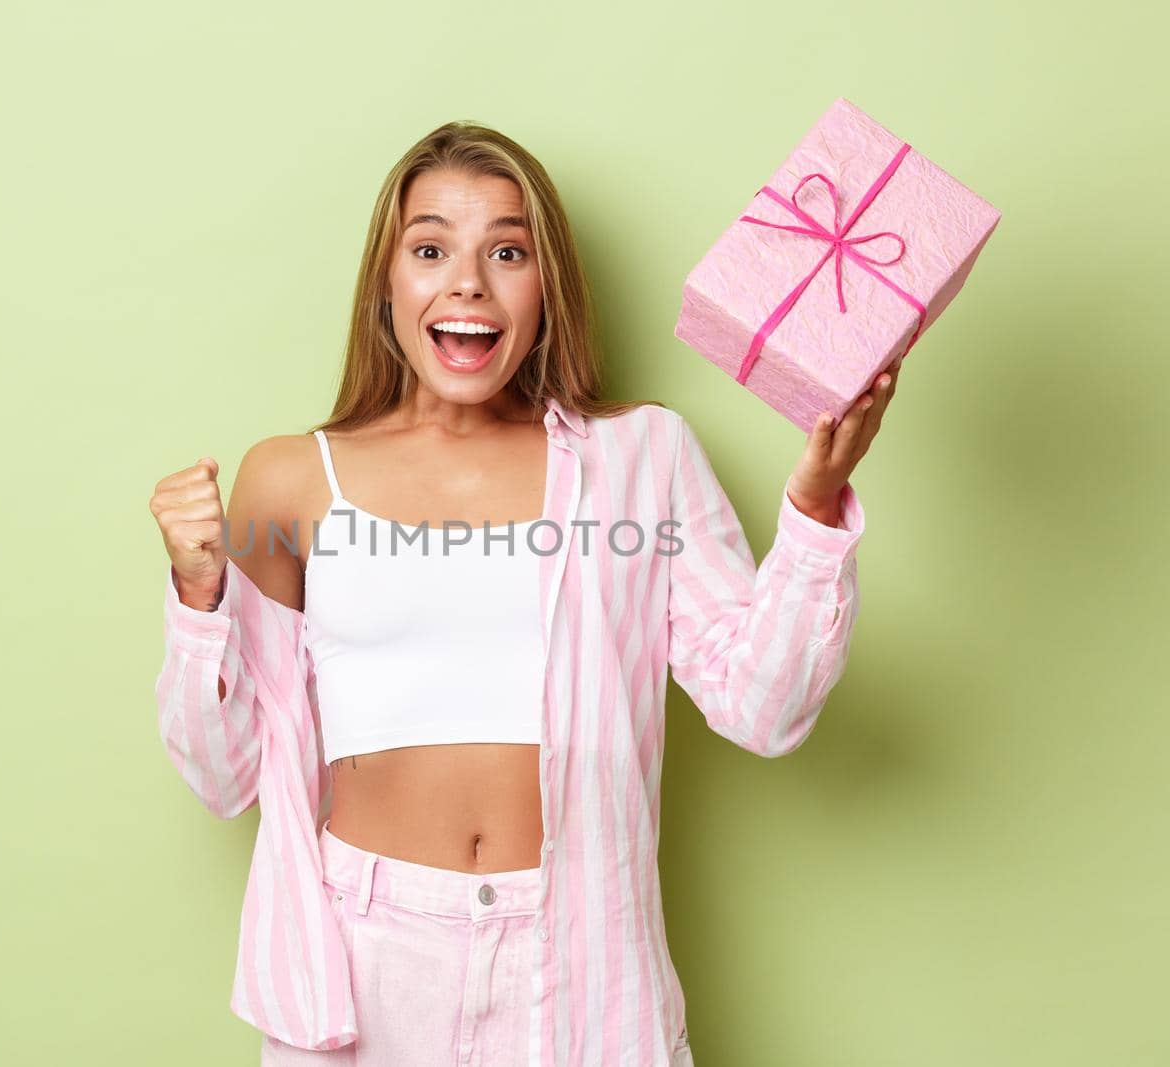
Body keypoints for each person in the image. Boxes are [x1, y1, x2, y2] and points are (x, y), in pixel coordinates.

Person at [149, 121, 898, 1066]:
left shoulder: (641, 461)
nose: (468, 281)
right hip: (366, 952)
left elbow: (764, 705)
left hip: (582, 955)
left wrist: (818, 507)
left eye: (507, 251)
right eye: (430, 250)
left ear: (548, 289)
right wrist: (197, 590)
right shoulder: (287, 482)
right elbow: (226, 776)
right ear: (388, 284)